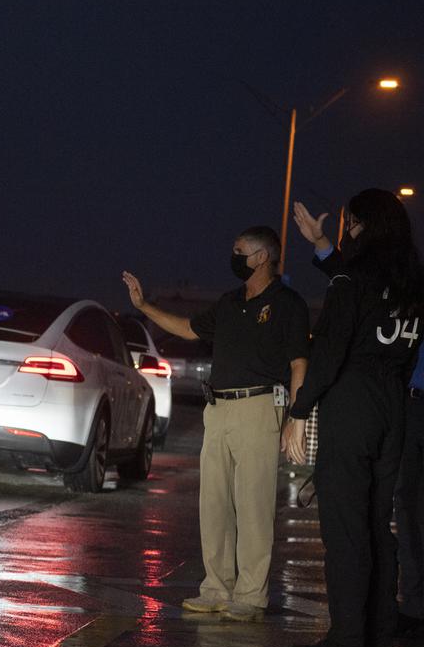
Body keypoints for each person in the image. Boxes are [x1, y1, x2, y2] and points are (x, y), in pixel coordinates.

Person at [123, 227, 309, 622]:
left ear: (262, 257)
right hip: (219, 409)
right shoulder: (229, 303)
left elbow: (298, 363)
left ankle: (251, 595)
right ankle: (217, 588)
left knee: (254, 505)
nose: (234, 256)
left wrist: (296, 416)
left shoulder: (288, 304)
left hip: (259, 406)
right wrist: (144, 306)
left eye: (240, 251)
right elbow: (189, 328)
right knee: (215, 504)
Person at [284, 191, 424, 647]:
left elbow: (329, 350)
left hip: (354, 404)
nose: (347, 231)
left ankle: (346, 643)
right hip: (393, 407)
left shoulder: (351, 277)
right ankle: (379, 636)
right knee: (377, 528)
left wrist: (299, 412)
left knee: (345, 529)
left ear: (361, 226)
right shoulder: (411, 281)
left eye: (349, 224)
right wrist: (323, 244)